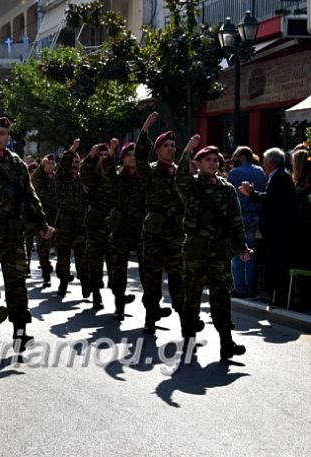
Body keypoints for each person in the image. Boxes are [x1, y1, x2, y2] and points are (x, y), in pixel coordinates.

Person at [0, 101, 54, 352]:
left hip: (13, 235)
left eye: (2, 133)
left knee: (17, 284)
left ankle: (20, 333)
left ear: (8, 137)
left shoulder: (17, 164)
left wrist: (42, 224)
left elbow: (30, 195)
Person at [176, 137, 251, 359]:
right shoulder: (191, 186)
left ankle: (226, 343)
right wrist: (187, 150)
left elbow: (235, 220)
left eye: (215, 160)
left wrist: (242, 246)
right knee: (192, 295)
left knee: (222, 296)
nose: (213, 164)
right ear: (198, 163)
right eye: (207, 160)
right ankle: (189, 341)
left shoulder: (227, 189)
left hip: (220, 250)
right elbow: (180, 178)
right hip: (196, 249)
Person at [134, 112, 184, 334]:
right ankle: (150, 317)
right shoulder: (150, 171)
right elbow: (139, 155)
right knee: (152, 278)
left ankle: (186, 319)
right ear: (157, 149)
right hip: (154, 233)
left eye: (173, 145)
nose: (171, 148)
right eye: (166, 145)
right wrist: (145, 130)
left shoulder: (181, 173)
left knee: (178, 276)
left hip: (177, 233)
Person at [238, 147, 296, 305]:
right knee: (272, 261)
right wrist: (252, 193)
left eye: (265, 160)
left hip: (278, 229)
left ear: (272, 162)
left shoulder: (281, 177)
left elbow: (271, 199)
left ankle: (277, 296)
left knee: (277, 262)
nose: (263, 163)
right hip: (273, 229)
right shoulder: (276, 176)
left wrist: (251, 193)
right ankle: (273, 294)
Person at [102, 140, 145, 321]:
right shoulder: (118, 177)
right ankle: (119, 304)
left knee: (148, 268)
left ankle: (152, 307)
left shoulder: (144, 176)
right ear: (123, 158)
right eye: (128, 154)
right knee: (119, 268)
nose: (132, 157)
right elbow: (108, 173)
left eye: (134, 154)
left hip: (141, 227)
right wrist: (110, 153)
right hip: (121, 227)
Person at [226, 146, 267, 298]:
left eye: (236, 156)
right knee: (251, 253)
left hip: (240, 215)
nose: (233, 159)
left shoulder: (234, 173)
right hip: (255, 216)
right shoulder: (261, 172)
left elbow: (227, 195)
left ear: (242, 156)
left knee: (238, 253)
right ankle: (250, 288)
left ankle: (240, 288)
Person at [80, 141, 116, 309]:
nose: (103, 158)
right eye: (100, 155)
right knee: (94, 262)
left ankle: (118, 294)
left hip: (113, 227)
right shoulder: (93, 177)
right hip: (95, 226)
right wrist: (90, 156)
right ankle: (96, 294)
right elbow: (84, 172)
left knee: (115, 262)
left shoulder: (115, 176)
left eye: (105, 155)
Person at [54, 139, 88, 298]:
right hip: (64, 223)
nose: (74, 164)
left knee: (82, 257)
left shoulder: (84, 181)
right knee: (63, 257)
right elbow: (61, 168)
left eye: (77, 161)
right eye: (72, 161)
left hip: (80, 224)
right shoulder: (62, 178)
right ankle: (63, 282)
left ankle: (84, 283)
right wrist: (71, 151)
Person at [31, 154, 57, 287]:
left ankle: (64, 272)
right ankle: (46, 273)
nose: (51, 166)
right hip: (43, 218)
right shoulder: (39, 178)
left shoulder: (57, 178)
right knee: (43, 249)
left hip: (58, 218)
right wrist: (41, 166)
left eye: (53, 163)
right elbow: (35, 177)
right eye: (49, 163)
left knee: (63, 248)